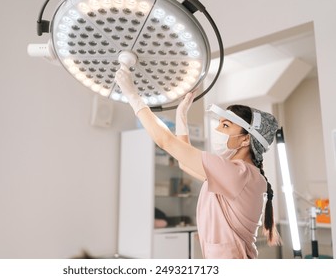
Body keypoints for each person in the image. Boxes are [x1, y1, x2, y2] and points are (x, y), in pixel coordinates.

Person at [115, 65, 281, 259]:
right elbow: (184, 163)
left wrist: (133, 96)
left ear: (246, 139)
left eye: (225, 125)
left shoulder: (238, 173)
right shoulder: (239, 173)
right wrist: (181, 114)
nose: (218, 129)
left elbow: (165, 141)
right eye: (219, 123)